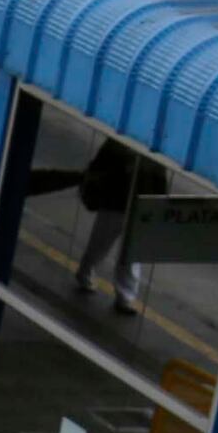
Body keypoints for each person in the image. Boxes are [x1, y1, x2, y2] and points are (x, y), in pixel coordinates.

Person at [71, 131, 169, 312]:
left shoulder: (124, 139)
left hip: (126, 203)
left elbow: (99, 166)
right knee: (105, 246)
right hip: (121, 202)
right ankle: (97, 280)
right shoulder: (148, 144)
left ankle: (122, 294)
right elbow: (159, 179)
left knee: (122, 251)